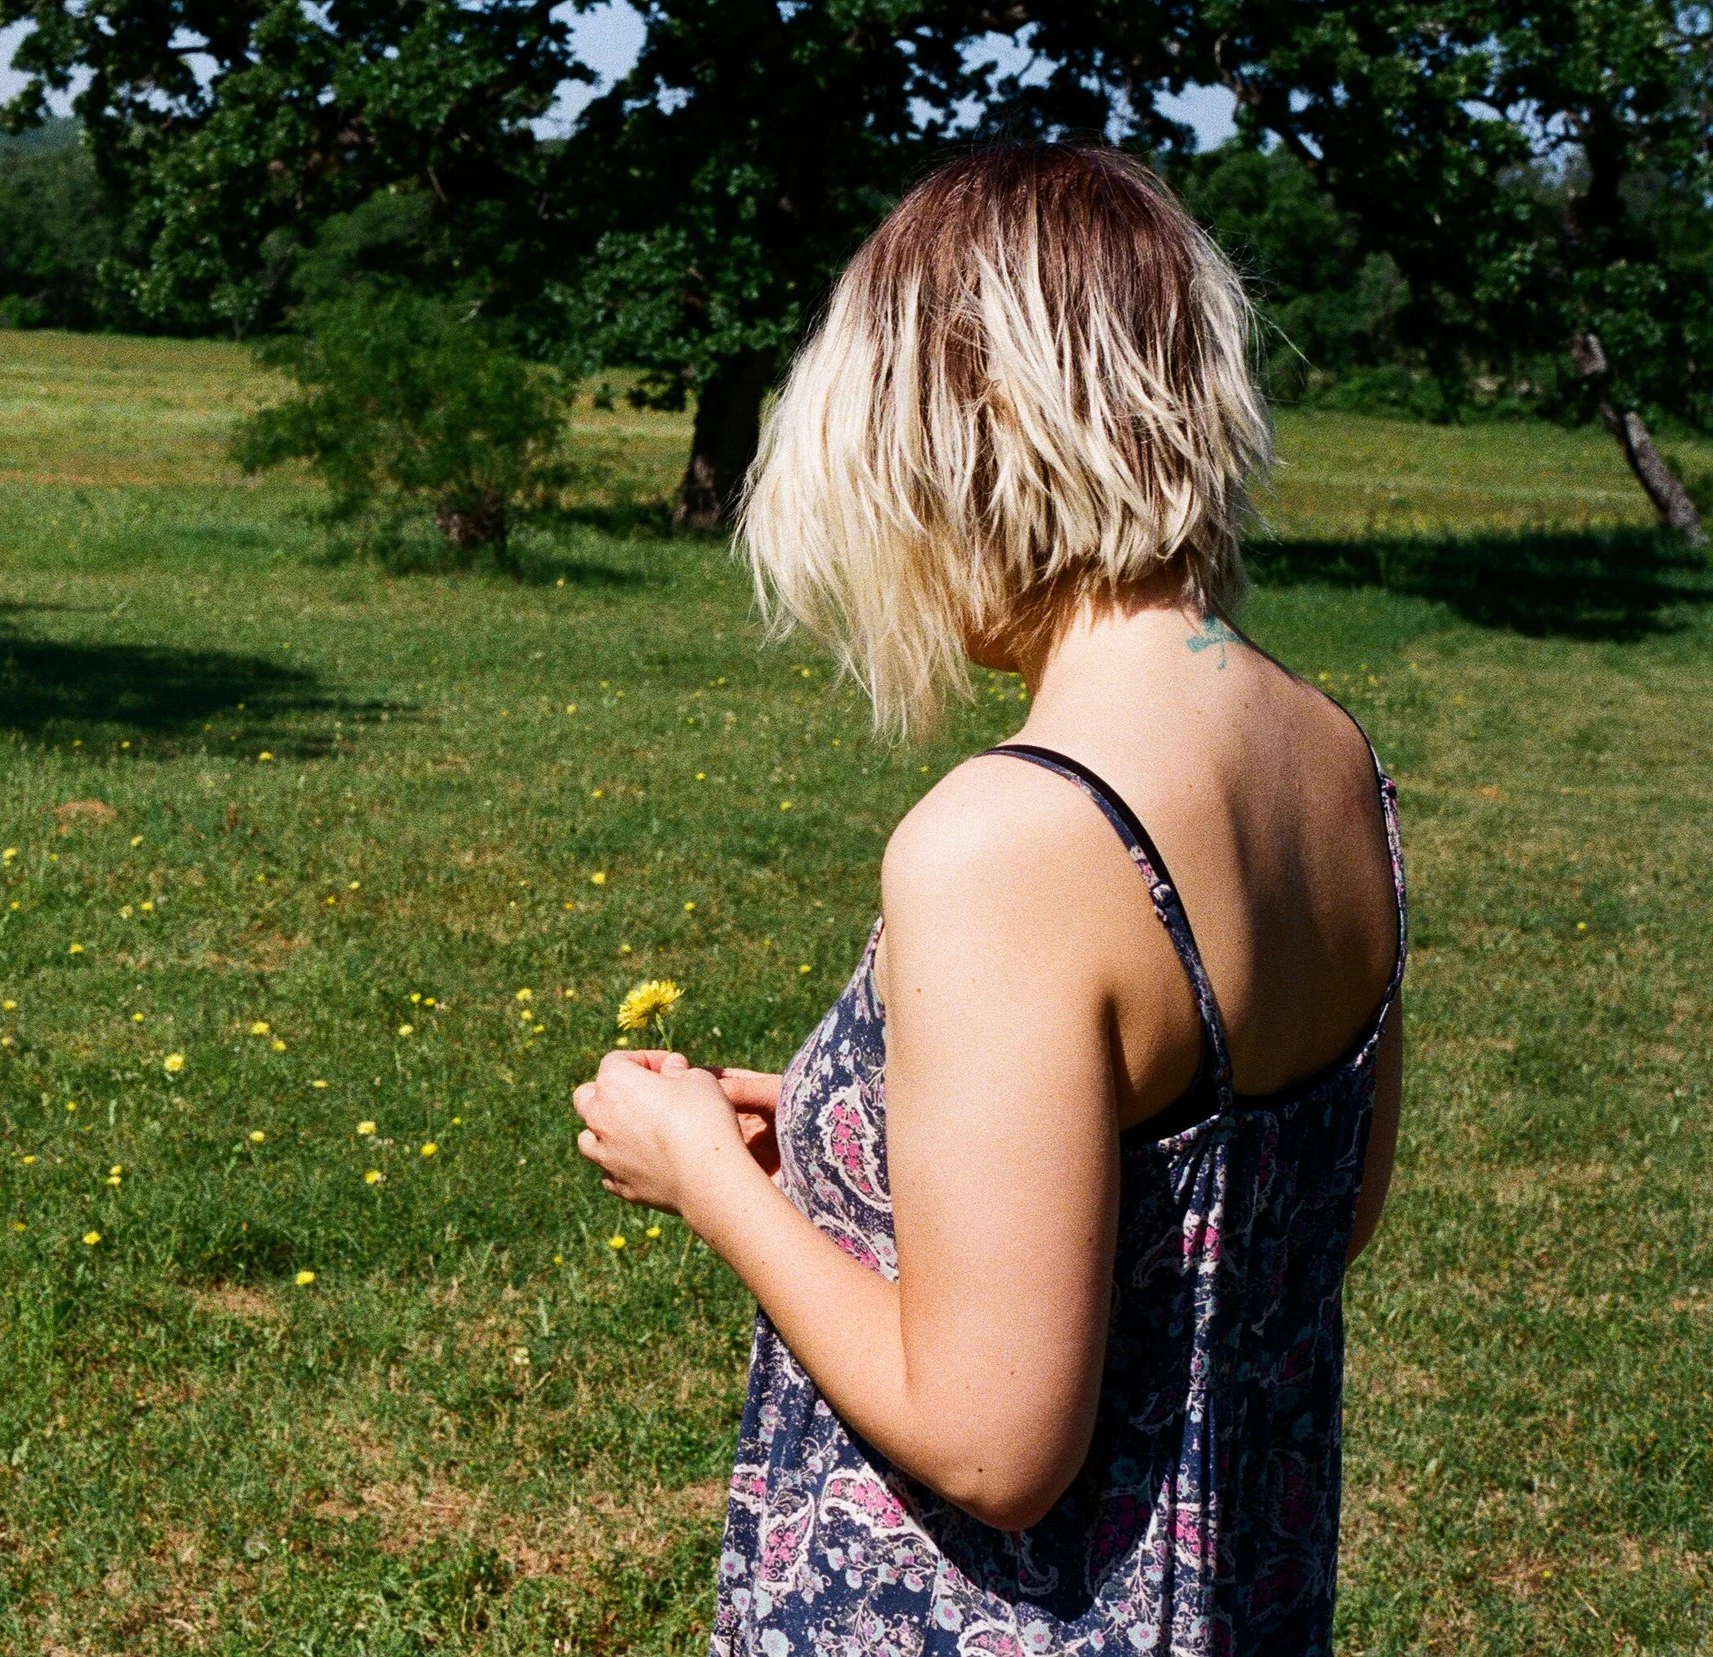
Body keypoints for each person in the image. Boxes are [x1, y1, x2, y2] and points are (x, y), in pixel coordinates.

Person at [571, 144, 1407, 1656]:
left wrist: (713, 1179)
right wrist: (872, 1153)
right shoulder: (1327, 758)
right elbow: (1301, 1220)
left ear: (962, 437)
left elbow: (994, 1445)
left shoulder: (1010, 836)